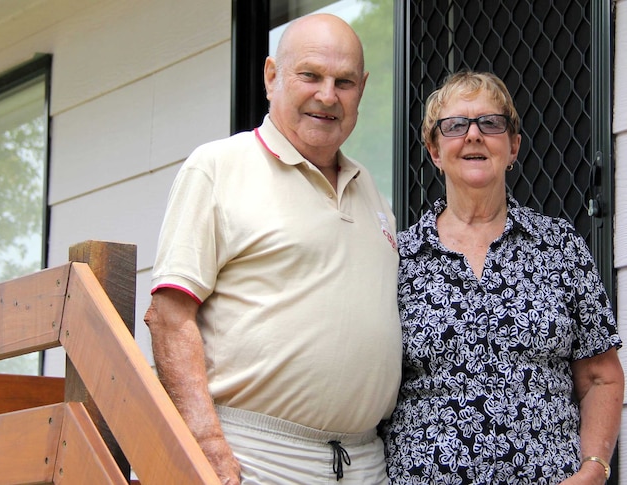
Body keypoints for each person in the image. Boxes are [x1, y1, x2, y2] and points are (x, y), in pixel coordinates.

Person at [143, 13, 401, 485]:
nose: (327, 95)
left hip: (366, 462)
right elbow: (169, 316)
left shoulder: (374, 196)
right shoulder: (219, 166)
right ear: (270, 75)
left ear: (362, 89)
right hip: (254, 459)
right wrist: (205, 444)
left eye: (344, 81)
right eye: (310, 75)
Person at [380, 71, 624, 484]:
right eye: (455, 125)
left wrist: (594, 470)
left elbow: (602, 375)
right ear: (434, 149)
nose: (473, 135)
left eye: (490, 123)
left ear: (512, 146)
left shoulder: (559, 245)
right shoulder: (396, 258)